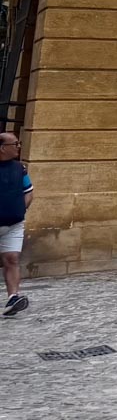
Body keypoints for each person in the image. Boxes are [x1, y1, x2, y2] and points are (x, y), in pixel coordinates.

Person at [0, 131, 29, 316]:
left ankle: (13, 298)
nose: (18, 147)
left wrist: (20, 208)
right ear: (2, 148)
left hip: (14, 224)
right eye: (15, 144)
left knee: (12, 259)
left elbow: (29, 191)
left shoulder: (20, 168)